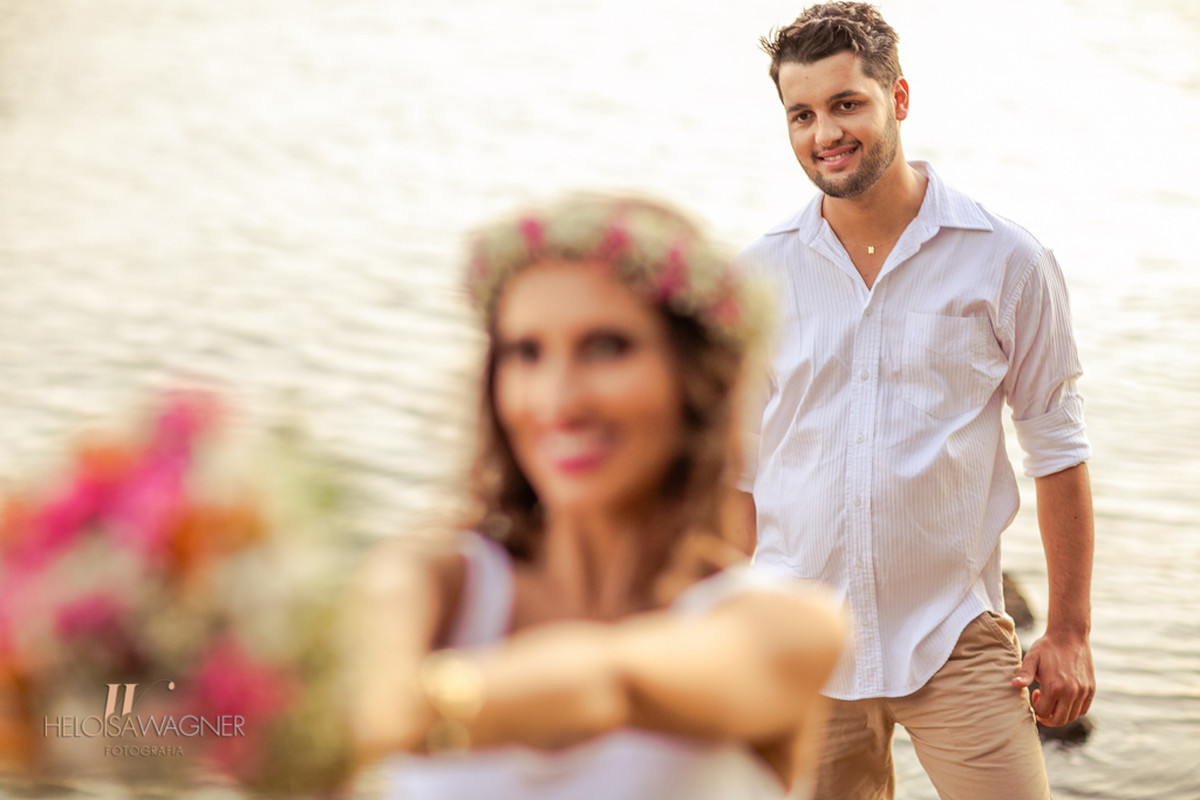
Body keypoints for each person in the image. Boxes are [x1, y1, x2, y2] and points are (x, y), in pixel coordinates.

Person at [345, 194, 847, 800]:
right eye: (526, 353)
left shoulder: (785, 628)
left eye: (607, 347)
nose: (559, 402)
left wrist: (421, 708)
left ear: (695, 378)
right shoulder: (435, 584)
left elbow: (614, 683)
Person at [734, 4, 1096, 799]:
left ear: (898, 98)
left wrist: (1067, 633)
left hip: (955, 639)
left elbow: (1058, 450)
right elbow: (737, 475)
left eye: (845, 104)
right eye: (801, 114)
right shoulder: (757, 279)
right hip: (803, 649)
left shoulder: (1008, 261)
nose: (823, 132)